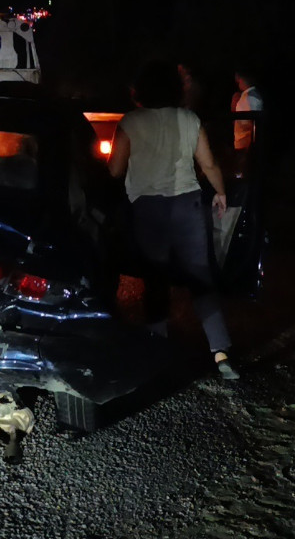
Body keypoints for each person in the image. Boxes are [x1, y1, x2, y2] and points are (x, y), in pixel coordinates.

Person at [108, 60, 239, 380]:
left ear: (140, 90)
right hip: (188, 206)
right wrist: (221, 193)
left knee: (155, 280)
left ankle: (157, 349)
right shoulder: (189, 118)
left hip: (148, 210)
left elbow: (114, 170)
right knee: (201, 278)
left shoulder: (130, 121)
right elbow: (208, 164)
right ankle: (221, 354)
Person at [232, 67, 263, 151]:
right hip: (242, 145)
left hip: (247, 146)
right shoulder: (246, 95)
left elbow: (255, 123)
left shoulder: (251, 97)